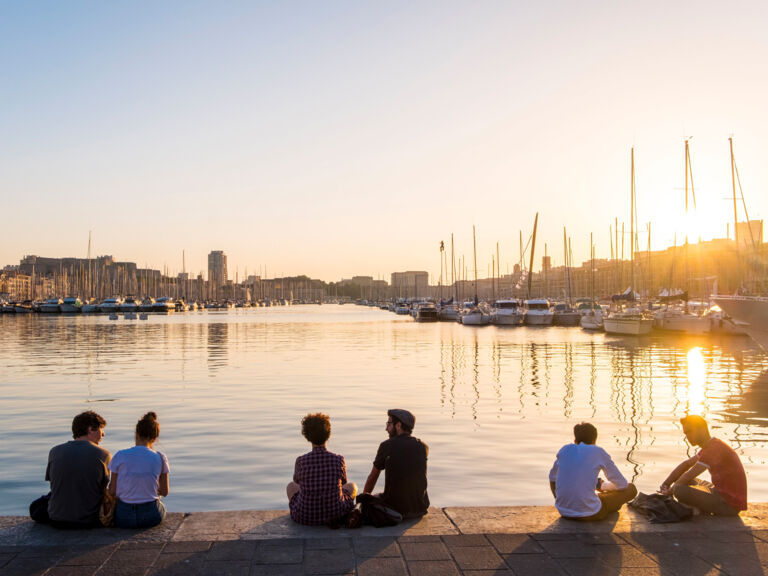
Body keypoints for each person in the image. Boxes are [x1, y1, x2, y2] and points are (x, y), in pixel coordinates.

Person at [31, 411, 111, 528]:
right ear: (90, 429)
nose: (103, 434)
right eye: (101, 429)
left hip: (57, 519)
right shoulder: (103, 454)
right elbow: (103, 489)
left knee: (37, 504)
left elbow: (53, 485)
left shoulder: (55, 451)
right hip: (89, 519)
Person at [659, 414, 747, 516]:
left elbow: (689, 474)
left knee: (679, 489)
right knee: (681, 480)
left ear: (702, 429)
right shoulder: (710, 446)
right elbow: (686, 464)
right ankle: (697, 509)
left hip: (729, 505)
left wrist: (670, 491)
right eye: (685, 433)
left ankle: (695, 510)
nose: (687, 436)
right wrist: (665, 484)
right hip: (719, 493)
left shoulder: (714, 449)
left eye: (690, 431)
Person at [549, 422, 637, 520]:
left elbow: (552, 478)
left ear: (575, 440)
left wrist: (564, 502)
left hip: (564, 512)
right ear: (595, 441)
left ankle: (574, 503)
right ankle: (601, 487)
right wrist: (605, 486)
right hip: (592, 513)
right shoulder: (598, 451)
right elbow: (622, 484)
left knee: (608, 499)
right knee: (631, 489)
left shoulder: (564, 450)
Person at [287, 413, 357, 526]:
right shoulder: (338, 460)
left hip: (304, 516)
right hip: (337, 514)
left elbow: (297, 483)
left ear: (307, 436)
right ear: (328, 434)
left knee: (290, 486)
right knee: (352, 486)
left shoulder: (301, 461)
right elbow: (343, 483)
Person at [362, 409, 429, 519]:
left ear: (398, 425)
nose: (386, 428)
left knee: (370, 498)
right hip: (420, 508)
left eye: (389, 424)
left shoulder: (386, 446)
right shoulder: (423, 447)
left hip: (396, 509)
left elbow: (373, 477)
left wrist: (364, 499)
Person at [108, 412, 170, 528]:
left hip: (123, 517)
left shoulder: (120, 455)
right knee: (161, 506)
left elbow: (112, 491)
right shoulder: (160, 457)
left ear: (136, 434)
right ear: (155, 438)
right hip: (151, 516)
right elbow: (165, 492)